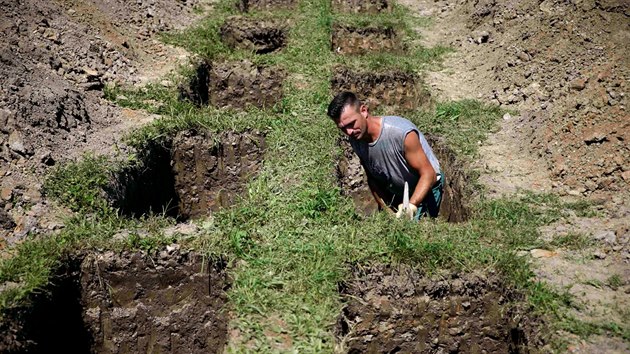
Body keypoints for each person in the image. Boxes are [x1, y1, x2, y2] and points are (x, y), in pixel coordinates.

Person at [327, 91, 443, 220]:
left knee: (413, 233)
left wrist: (411, 206)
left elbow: (429, 174)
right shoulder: (356, 139)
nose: (349, 132)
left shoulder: (401, 133)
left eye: (351, 123)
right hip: (397, 192)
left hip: (426, 189)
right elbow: (372, 177)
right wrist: (387, 209)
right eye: (342, 128)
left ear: (364, 111)